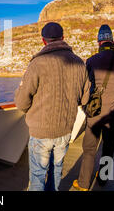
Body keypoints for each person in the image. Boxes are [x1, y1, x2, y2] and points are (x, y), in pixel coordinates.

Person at [14, 22, 90, 191]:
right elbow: (84, 99)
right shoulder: (79, 63)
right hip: (65, 129)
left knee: (37, 176)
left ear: (43, 40)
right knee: (56, 170)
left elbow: (21, 103)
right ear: (63, 38)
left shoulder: (37, 63)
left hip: (41, 131)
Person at [72, 25, 114, 191]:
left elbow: (85, 85)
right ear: (112, 41)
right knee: (109, 147)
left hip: (95, 114)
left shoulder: (91, 61)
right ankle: (104, 179)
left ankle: (83, 184)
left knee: (89, 149)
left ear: (99, 42)